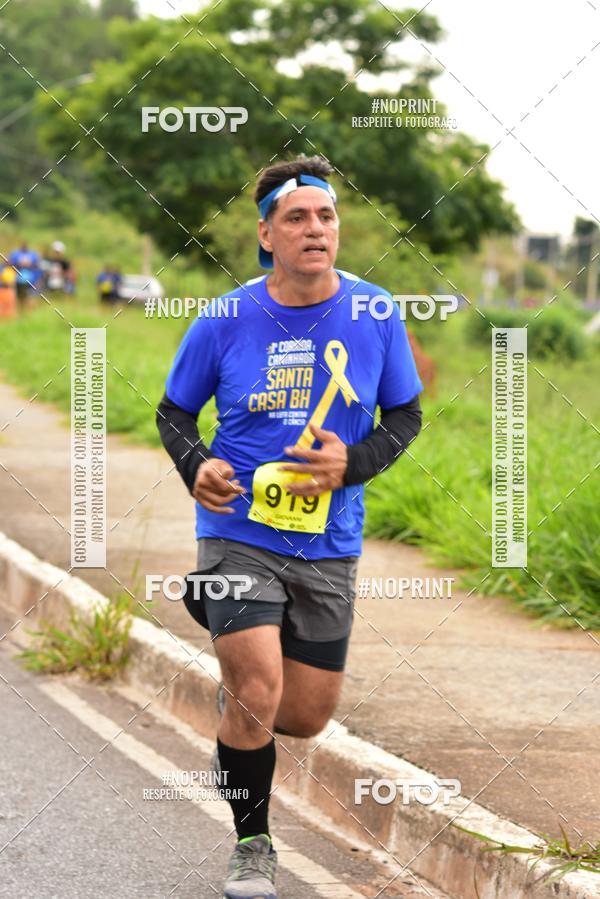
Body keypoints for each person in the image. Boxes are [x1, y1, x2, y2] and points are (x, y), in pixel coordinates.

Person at [156, 154, 424, 899]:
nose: (316, 228)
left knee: (302, 717)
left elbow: (405, 415)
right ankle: (252, 842)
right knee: (256, 689)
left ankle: (240, 663)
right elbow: (173, 412)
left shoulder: (374, 312)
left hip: (328, 542)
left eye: (327, 215)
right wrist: (196, 464)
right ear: (266, 233)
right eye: (298, 216)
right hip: (238, 528)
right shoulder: (226, 317)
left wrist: (355, 462)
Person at [8, 241, 41, 309]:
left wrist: (29, 264)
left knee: (30, 295)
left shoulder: (33, 254)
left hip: (30, 279)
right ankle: (21, 308)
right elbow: (10, 264)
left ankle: (29, 309)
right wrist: (19, 264)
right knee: (19, 296)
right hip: (18, 279)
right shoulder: (15, 254)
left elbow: (37, 265)